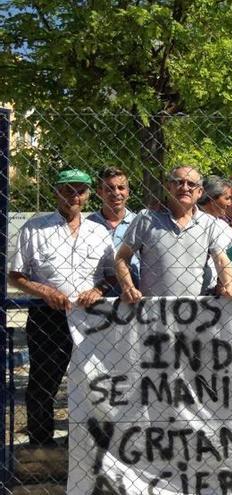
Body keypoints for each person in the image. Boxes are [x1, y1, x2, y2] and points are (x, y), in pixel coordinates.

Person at [10, 169, 116, 446]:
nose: (75, 196)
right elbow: (16, 275)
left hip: (89, 317)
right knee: (44, 381)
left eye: (81, 191)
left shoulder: (98, 231)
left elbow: (111, 274)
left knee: (90, 380)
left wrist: (97, 290)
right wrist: (44, 290)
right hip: (48, 316)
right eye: (68, 190)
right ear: (56, 191)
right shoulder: (34, 229)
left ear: (89, 195)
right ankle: (41, 442)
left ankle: (87, 442)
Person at [116, 166, 232, 302]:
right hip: (153, 311)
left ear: (200, 192)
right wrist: (128, 287)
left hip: (194, 312)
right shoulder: (146, 218)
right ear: (169, 187)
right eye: (179, 182)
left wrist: (229, 285)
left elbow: (221, 259)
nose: (185, 188)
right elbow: (122, 257)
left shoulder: (209, 223)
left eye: (191, 184)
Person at [87, 167, 139, 295]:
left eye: (121, 188)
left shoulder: (139, 223)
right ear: (100, 192)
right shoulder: (87, 225)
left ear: (128, 191)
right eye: (109, 188)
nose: (116, 193)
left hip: (134, 299)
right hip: (95, 302)